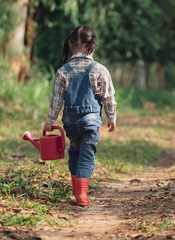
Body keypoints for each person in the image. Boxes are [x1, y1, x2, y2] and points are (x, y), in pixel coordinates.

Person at [43, 25, 117, 206]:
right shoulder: (100, 69)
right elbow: (108, 97)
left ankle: (77, 191)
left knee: (74, 152)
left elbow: (56, 100)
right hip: (91, 121)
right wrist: (111, 118)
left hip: (70, 122)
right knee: (87, 156)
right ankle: (82, 194)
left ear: (70, 44)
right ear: (93, 46)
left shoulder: (63, 71)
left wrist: (49, 122)